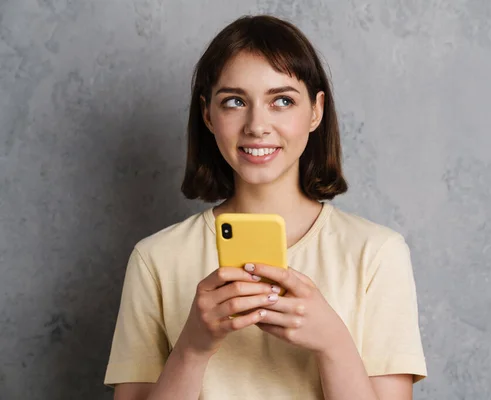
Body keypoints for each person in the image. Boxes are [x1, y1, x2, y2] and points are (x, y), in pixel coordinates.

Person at [104, 14, 427, 400]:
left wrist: (333, 343)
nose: (257, 125)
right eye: (235, 101)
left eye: (282, 101)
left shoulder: (377, 254)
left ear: (315, 111)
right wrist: (192, 347)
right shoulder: (155, 259)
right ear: (207, 114)